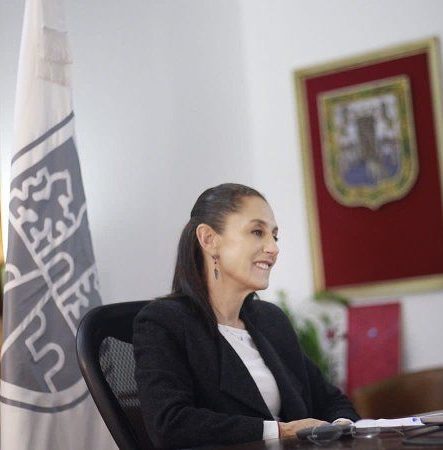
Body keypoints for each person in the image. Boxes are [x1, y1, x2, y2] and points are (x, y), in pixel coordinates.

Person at [133, 183, 360, 449]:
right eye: (257, 232)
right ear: (209, 239)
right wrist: (281, 431)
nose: (273, 248)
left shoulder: (270, 319)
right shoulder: (163, 323)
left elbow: (331, 400)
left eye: (274, 236)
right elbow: (170, 424)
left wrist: (340, 427)